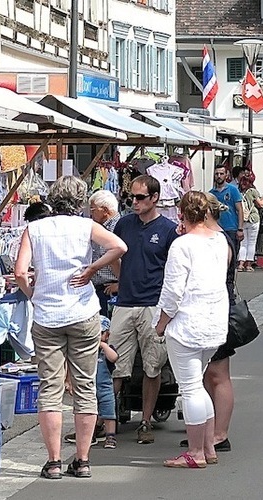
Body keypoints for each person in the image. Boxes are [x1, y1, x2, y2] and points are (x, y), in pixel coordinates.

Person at [14, 176, 126, 480]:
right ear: (80, 201)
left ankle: (53, 461)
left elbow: (21, 271)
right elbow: (119, 246)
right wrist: (92, 269)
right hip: (83, 311)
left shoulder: (35, 229)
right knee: (85, 385)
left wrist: (33, 294)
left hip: (47, 316)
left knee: (50, 387)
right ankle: (83, 459)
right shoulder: (86, 226)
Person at [154, 191, 228, 468]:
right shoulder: (219, 240)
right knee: (199, 385)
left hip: (187, 324)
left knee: (191, 388)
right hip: (214, 322)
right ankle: (207, 447)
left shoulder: (182, 245)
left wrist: (161, 323)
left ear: (181, 214)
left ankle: (196, 451)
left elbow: (172, 292)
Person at [108, 174, 179, 445]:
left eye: (140, 197)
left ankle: (146, 420)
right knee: (114, 365)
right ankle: (106, 420)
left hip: (153, 305)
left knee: (153, 366)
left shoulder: (168, 230)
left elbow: (173, 269)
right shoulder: (124, 224)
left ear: (155, 198)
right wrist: (123, 279)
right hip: (125, 303)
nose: (134, 202)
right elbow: (113, 253)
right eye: (131, 197)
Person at [179, 193, 237, 454]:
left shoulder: (219, 239)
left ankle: (219, 433)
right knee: (205, 375)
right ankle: (208, 433)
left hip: (216, 311)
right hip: (210, 311)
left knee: (218, 374)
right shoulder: (211, 237)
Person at [64, 316, 119, 449]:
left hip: (105, 389)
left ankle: (110, 436)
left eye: (100, 333)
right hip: (87, 387)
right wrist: (69, 382)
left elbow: (114, 358)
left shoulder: (106, 350)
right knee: (87, 411)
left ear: (106, 335)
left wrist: (103, 345)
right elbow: (72, 365)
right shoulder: (84, 350)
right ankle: (89, 434)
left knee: (109, 413)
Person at [88, 190, 122, 317]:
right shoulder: (98, 228)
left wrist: (122, 285)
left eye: (93, 210)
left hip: (112, 289)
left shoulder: (120, 227)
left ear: (105, 210)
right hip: (97, 289)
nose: (91, 214)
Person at [209, 164, 244, 248]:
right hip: (217, 229)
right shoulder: (211, 193)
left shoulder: (233, 190)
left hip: (231, 229)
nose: (219, 176)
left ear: (226, 175)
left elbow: (240, 210)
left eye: (221, 174)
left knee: (232, 253)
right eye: (217, 174)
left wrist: (240, 229)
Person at [237, 172, 263, 272]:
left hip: (243, 219)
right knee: (252, 243)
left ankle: (240, 264)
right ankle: (248, 264)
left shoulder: (239, 192)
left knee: (243, 243)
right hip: (253, 219)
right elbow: (260, 204)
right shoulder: (252, 191)